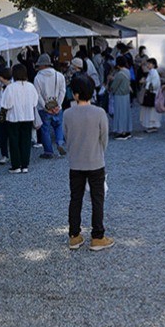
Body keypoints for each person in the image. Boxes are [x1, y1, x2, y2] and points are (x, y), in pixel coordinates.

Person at [63, 73, 113, 251]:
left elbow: (66, 137)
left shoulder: (67, 114)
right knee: (97, 199)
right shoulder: (99, 113)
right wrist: (98, 151)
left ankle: (74, 235)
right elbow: (104, 138)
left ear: (75, 94)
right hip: (95, 161)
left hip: (75, 162)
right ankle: (97, 236)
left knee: (75, 199)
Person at [0, 63, 40, 174]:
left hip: (13, 117)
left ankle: (16, 166)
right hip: (28, 116)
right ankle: (25, 165)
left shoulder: (10, 88)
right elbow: (35, 102)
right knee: (26, 141)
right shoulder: (30, 86)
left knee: (14, 141)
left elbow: (6, 104)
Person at [33, 53, 67, 159]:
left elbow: (37, 95)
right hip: (57, 105)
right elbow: (63, 91)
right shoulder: (59, 75)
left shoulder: (38, 77)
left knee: (45, 130)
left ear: (42, 65)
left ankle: (48, 151)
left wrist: (45, 107)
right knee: (58, 126)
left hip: (44, 109)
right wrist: (58, 105)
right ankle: (60, 143)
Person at [108, 58, 133, 140]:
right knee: (126, 113)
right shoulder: (127, 71)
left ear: (118, 65)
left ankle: (121, 132)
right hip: (126, 95)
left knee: (119, 113)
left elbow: (114, 86)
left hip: (119, 95)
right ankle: (127, 130)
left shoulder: (119, 74)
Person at [140, 58, 161, 133]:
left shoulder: (154, 73)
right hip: (150, 93)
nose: (148, 65)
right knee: (149, 110)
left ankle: (152, 125)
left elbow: (155, 84)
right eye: (147, 64)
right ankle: (150, 125)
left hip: (152, 93)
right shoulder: (151, 72)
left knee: (151, 110)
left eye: (149, 64)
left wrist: (146, 82)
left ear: (153, 65)